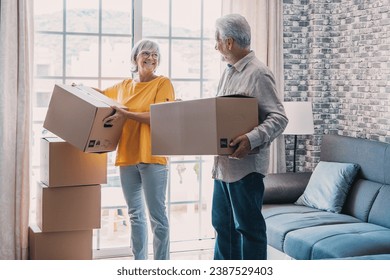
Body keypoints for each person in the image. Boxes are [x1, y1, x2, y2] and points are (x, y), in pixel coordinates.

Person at [212, 14, 288, 260]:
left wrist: (251, 139)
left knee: (248, 230)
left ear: (230, 42)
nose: (216, 46)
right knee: (222, 228)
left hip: (245, 170)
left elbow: (278, 118)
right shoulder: (228, 72)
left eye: (218, 40)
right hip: (222, 167)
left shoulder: (258, 73)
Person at [97, 39, 175, 260]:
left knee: (157, 218)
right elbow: (100, 95)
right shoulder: (124, 86)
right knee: (135, 216)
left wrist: (126, 114)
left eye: (156, 55)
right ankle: (138, 263)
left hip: (153, 157)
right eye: (146, 53)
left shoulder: (163, 83)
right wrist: (78, 90)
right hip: (128, 157)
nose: (151, 58)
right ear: (135, 58)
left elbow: (158, 117)